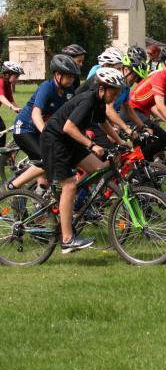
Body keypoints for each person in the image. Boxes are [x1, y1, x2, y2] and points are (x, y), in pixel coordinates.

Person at [41, 67, 128, 253]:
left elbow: (103, 122)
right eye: (113, 93)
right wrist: (91, 145)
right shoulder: (88, 100)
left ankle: (74, 204)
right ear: (102, 89)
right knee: (69, 185)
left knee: (99, 170)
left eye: (118, 93)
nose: (115, 97)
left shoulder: (98, 101)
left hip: (69, 141)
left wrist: (120, 141)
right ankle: (67, 239)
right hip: (56, 140)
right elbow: (68, 127)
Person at [8, 55, 79, 191]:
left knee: (52, 160)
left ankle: (39, 195)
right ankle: (13, 185)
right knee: (46, 159)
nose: (72, 79)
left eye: (73, 76)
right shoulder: (47, 87)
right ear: (58, 74)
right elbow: (36, 114)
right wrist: (48, 133)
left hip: (40, 130)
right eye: (69, 76)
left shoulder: (69, 91)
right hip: (25, 129)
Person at [0, 61, 25, 147]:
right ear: (8, 74)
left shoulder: (7, 84)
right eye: (16, 76)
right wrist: (12, 107)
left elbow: (11, 101)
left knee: (2, 129)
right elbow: (1, 97)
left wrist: (23, 111)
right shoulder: (0, 81)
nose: (18, 79)